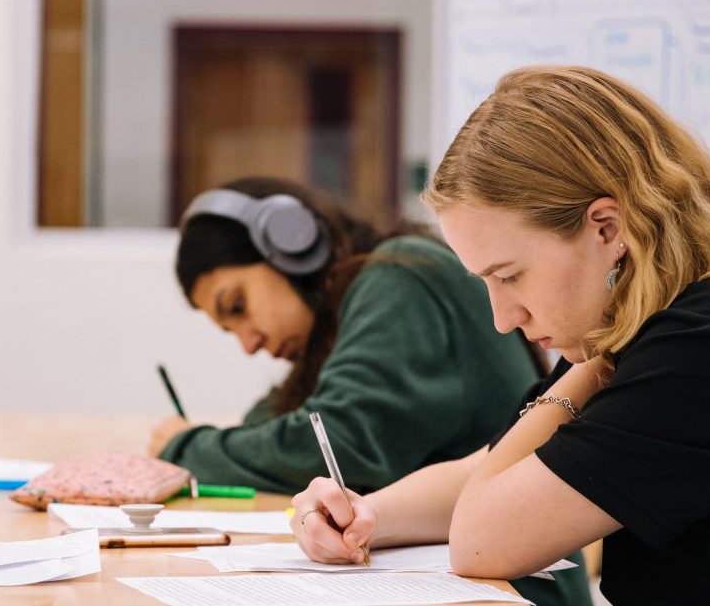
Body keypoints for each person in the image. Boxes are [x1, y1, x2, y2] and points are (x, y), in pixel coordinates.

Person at [290, 65, 710, 605]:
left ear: (608, 227)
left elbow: (484, 540)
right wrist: (366, 515)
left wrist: (589, 367)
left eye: (510, 276)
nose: (504, 319)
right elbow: (497, 472)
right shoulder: (650, 316)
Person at [150, 176, 592, 606]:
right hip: (453, 579)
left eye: (239, 307)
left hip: (511, 593)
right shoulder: (347, 314)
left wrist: (181, 447)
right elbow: (267, 429)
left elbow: (337, 445)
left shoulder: (402, 279)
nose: (250, 343)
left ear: (291, 243)